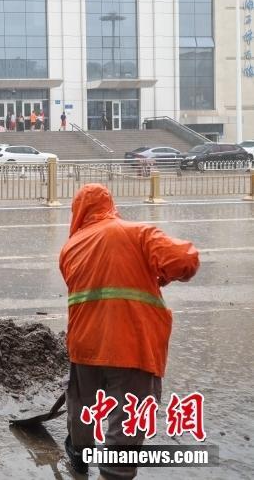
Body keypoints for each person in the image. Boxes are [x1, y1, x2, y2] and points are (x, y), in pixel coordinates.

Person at [60, 184, 199, 478]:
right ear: (110, 206)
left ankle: (79, 454)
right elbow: (185, 261)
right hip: (131, 344)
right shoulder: (138, 233)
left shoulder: (69, 248)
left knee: (83, 405)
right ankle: (114, 473)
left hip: (85, 345)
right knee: (126, 418)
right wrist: (159, 276)